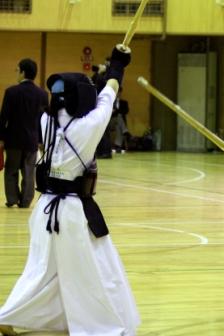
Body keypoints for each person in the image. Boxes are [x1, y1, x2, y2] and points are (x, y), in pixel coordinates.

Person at [0, 44, 140, 336]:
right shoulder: (89, 126)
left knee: (41, 270)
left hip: (45, 210)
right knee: (92, 271)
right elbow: (108, 94)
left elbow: (95, 96)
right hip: (73, 213)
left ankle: (11, 314)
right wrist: (118, 65)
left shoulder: (46, 121)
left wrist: (112, 68)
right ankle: (100, 325)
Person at [0, 58, 48, 208]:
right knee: (28, 171)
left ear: (23, 72)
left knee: (11, 170)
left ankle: (12, 199)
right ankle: (26, 201)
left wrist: (1, 138)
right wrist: (42, 140)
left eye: (17, 70)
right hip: (32, 140)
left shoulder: (11, 92)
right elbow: (45, 120)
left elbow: (3, 118)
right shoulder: (43, 94)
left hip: (13, 139)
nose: (16, 73)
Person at [111, 87, 131, 153]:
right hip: (111, 122)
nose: (118, 94)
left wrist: (116, 111)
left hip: (119, 123)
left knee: (118, 125)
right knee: (119, 116)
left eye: (119, 92)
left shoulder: (124, 102)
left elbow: (126, 111)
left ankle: (117, 146)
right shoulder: (110, 103)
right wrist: (116, 111)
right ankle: (125, 131)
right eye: (116, 92)